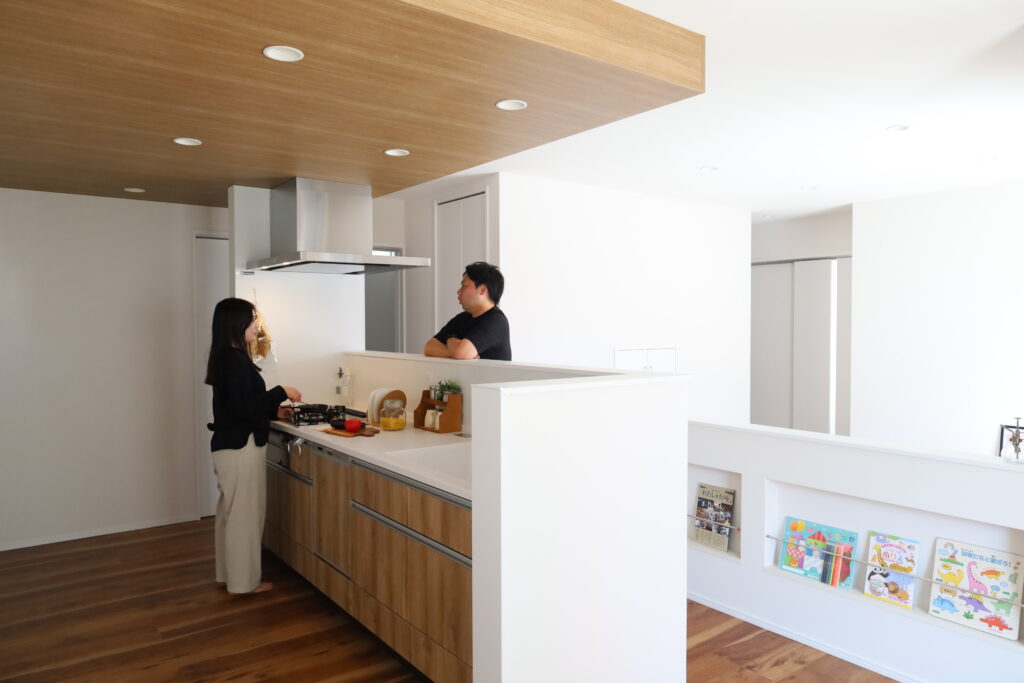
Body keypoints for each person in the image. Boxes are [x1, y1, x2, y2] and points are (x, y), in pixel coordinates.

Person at [204, 298, 301, 594]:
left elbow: (239, 404)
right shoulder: (234, 360)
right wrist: (281, 391)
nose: (257, 325)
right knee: (244, 517)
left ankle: (230, 576)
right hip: (240, 448)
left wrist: (273, 411)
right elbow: (245, 406)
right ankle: (244, 583)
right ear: (237, 323)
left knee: (231, 515)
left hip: (228, 446)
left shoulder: (226, 356)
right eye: (252, 319)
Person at [424, 261, 511, 361]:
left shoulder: (496, 321)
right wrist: (454, 350)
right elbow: (429, 347)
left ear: (482, 290)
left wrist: (450, 340)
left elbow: (462, 353)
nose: (458, 291)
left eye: (464, 286)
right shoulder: (462, 318)